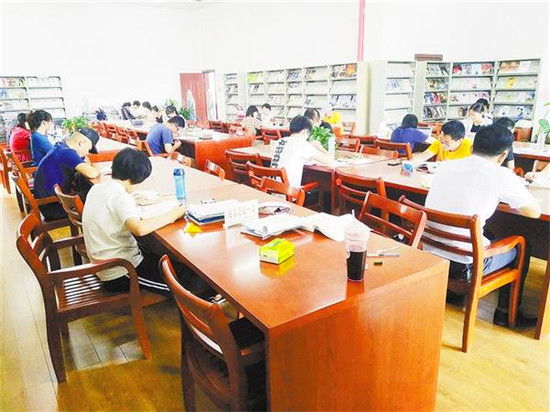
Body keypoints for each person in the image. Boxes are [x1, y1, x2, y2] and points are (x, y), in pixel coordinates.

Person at [424, 124, 541, 327]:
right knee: (522, 246)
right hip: (465, 266)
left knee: (489, 233)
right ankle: (506, 313)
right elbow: (534, 212)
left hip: (430, 254)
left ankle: (452, 293)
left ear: (471, 147)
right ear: (502, 156)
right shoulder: (502, 175)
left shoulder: (446, 166)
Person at [82, 148, 200, 296]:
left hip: (107, 261)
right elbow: (139, 229)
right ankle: (202, 300)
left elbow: (112, 206)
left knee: (175, 266)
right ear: (137, 178)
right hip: (121, 271)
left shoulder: (98, 188)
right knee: (185, 285)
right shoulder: (121, 198)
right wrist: (173, 215)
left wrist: (132, 200)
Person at [33, 132, 99, 221]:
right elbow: (92, 173)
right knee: (98, 206)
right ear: (82, 143)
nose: (87, 153)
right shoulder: (67, 153)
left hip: (49, 203)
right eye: (88, 149)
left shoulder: (61, 146)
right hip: (53, 207)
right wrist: (95, 168)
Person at [271, 115, 337, 188]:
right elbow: (330, 161)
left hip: (270, 188)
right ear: (305, 131)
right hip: (289, 192)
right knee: (319, 186)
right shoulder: (302, 144)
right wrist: (319, 146)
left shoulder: (279, 141)